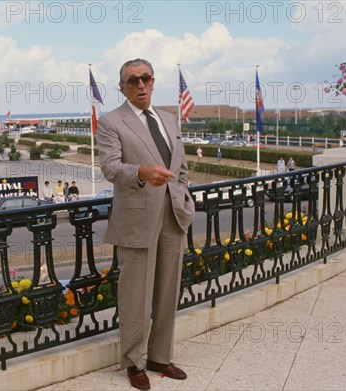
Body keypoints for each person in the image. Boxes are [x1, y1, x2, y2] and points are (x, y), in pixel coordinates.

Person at [97, 58, 195, 390]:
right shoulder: (112, 121)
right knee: (136, 295)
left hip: (173, 216)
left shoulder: (169, 118)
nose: (141, 85)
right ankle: (134, 362)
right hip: (137, 219)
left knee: (168, 291)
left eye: (146, 79)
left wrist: (183, 194)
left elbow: (180, 166)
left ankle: (159, 357)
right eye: (133, 80)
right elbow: (110, 167)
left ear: (153, 82)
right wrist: (141, 172)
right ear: (122, 86)